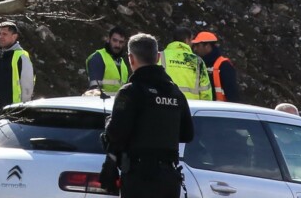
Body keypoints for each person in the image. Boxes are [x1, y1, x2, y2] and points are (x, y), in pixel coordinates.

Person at [101, 32, 194, 198]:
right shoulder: (176, 93)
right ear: (158, 57)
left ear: (131, 59)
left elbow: (116, 133)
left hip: (140, 177)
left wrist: (109, 124)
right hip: (169, 178)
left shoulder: (130, 92)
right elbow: (187, 134)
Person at [163, 26, 213, 102]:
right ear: (187, 40)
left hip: (165, 105)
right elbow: (205, 92)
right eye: (191, 40)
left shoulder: (159, 57)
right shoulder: (197, 61)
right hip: (191, 108)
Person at [192, 31, 238, 102]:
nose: (195, 49)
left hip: (219, 110)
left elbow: (233, 95)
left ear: (207, 46)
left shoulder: (224, 65)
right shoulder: (198, 64)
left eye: (198, 45)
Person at [86, 26, 128, 97]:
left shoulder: (122, 63)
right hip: (100, 105)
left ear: (124, 43)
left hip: (116, 105)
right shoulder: (98, 57)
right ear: (108, 39)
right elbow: (94, 90)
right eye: (114, 40)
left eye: (121, 42)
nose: (117, 45)